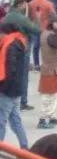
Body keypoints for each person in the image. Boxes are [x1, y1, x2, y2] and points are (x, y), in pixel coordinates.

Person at [0, 20, 30, 149]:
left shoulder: (10, 46)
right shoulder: (19, 43)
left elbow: (9, 70)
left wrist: (3, 88)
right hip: (17, 89)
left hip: (8, 90)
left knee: (1, 120)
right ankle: (24, 147)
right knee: (15, 120)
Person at [37, 16, 57, 131]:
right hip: (50, 70)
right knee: (48, 96)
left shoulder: (51, 33)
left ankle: (51, 116)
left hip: (56, 69)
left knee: (56, 94)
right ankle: (43, 119)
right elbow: (56, 44)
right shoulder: (49, 35)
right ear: (52, 23)